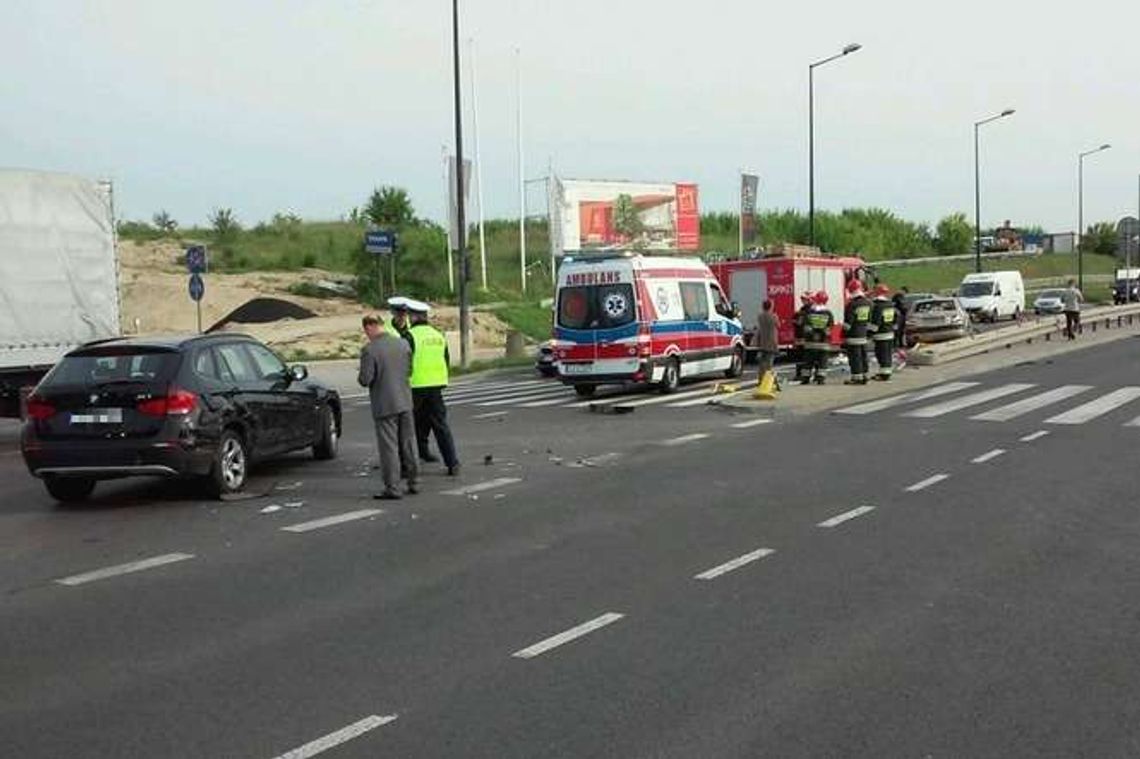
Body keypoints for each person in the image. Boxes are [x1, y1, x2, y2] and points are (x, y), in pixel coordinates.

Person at [358, 314, 418, 500]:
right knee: (409, 443)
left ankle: (393, 487)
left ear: (369, 327)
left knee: (389, 447)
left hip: (384, 404)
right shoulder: (403, 344)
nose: (366, 335)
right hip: (405, 401)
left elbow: (365, 379)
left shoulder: (370, 350)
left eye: (366, 331)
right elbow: (410, 370)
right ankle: (414, 481)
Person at [406, 300, 461, 476]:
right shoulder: (438, 335)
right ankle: (452, 462)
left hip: (415, 385)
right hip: (436, 385)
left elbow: (405, 360)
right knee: (440, 425)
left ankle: (408, 465)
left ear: (414, 317)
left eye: (410, 315)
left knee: (409, 425)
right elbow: (445, 359)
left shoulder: (410, 336)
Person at [842, 280, 873, 385]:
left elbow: (848, 324)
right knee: (863, 356)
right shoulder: (868, 303)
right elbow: (869, 320)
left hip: (853, 335)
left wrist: (843, 334)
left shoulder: (852, 305)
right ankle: (865, 375)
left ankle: (856, 378)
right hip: (863, 334)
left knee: (855, 357)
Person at [801, 290, 835, 385]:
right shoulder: (828, 313)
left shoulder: (809, 312)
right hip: (823, 343)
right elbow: (830, 328)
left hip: (810, 342)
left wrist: (812, 334)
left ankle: (806, 378)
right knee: (822, 361)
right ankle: (820, 378)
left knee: (808, 361)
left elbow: (806, 327)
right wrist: (823, 333)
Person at [869, 284, 899, 381]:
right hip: (889, 332)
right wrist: (893, 327)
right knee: (887, 353)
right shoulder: (890, 304)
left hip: (881, 334)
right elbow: (896, 316)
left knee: (881, 354)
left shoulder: (877, 306)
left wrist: (869, 333)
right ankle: (885, 372)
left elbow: (876, 321)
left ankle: (884, 374)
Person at [753, 300, 781, 386]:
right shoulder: (774, 316)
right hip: (772, 342)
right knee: (769, 364)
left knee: (762, 364)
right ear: (771, 306)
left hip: (762, 342)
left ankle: (760, 380)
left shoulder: (760, 316)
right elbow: (778, 325)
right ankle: (770, 381)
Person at [792, 291, 813, 382]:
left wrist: (797, 321)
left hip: (806, 337)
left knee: (806, 357)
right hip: (800, 337)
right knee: (799, 357)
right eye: (803, 299)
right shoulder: (802, 310)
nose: (803, 301)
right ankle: (799, 374)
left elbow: (802, 322)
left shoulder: (810, 311)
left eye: (805, 299)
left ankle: (805, 375)